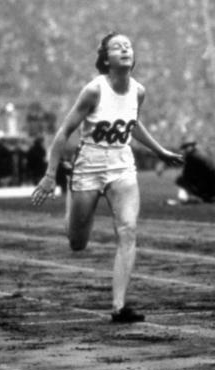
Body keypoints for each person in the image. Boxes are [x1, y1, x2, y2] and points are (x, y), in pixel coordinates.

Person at [30, 32, 183, 323]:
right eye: (117, 46)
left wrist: (160, 150)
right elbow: (64, 132)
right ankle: (70, 191)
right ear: (105, 59)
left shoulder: (138, 90)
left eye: (128, 45)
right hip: (88, 166)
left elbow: (133, 123)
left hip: (122, 166)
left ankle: (119, 306)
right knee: (77, 243)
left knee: (128, 230)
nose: (125, 48)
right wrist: (50, 175)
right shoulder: (94, 91)